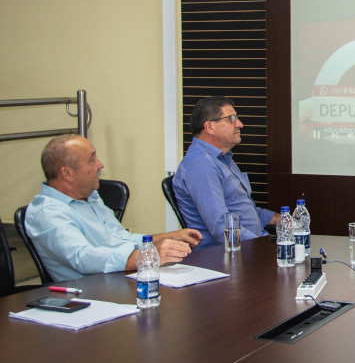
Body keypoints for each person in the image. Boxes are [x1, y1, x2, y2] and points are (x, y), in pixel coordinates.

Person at [26, 134, 201, 282]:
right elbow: (83, 258)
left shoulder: (91, 198)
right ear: (67, 173)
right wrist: (148, 255)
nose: (100, 164)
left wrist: (167, 237)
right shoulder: (47, 213)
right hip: (93, 293)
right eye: (92, 159)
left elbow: (123, 239)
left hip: (124, 279)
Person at [173, 96, 278, 249]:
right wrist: (261, 246)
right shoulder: (202, 165)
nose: (240, 124)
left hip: (250, 246)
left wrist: (279, 219)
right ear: (210, 127)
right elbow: (222, 227)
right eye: (231, 119)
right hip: (226, 255)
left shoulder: (222, 158)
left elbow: (241, 209)